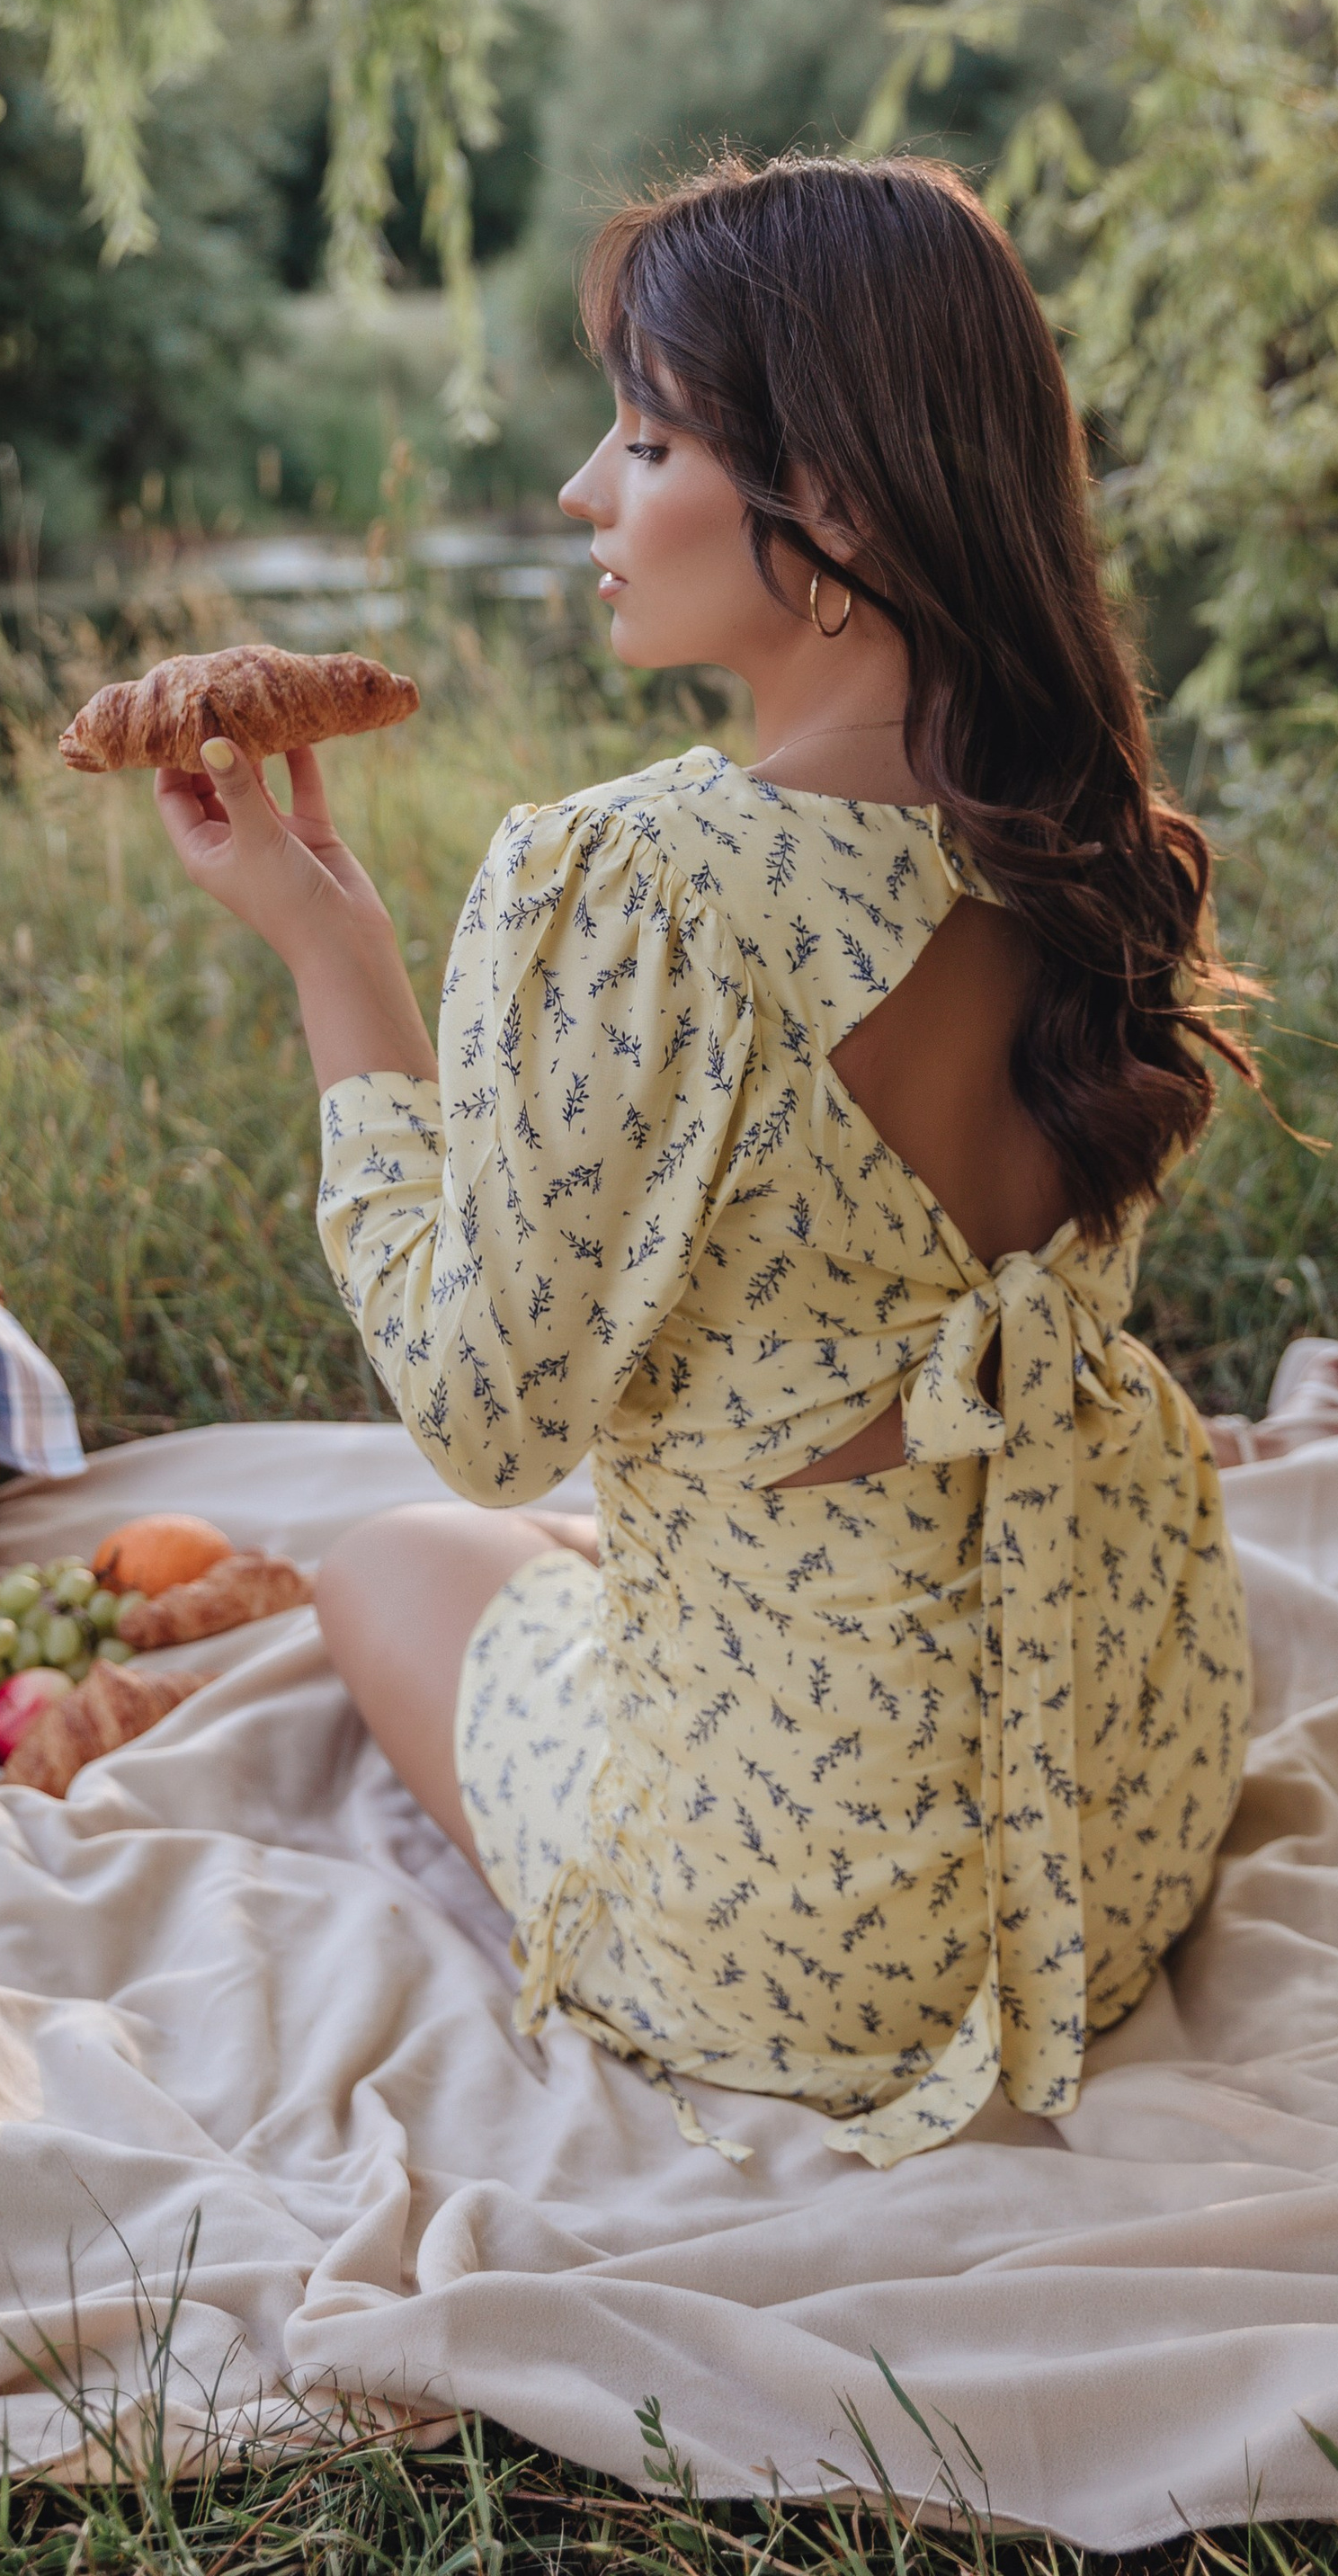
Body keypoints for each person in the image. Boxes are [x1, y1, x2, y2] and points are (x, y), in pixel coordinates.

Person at [155, 152, 1256, 2164]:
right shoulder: (1088, 823)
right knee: (612, 1530)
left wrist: (331, 950)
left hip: (816, 1932)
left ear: (827, 501)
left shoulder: (641, 885)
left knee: (392, 1555)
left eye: (648, 435)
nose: (588, 488)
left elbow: (483, 1421)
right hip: (1118, 1801)